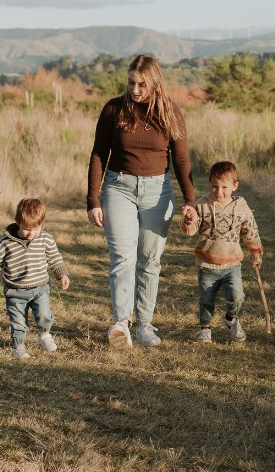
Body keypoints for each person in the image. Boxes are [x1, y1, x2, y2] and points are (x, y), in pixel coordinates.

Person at [87, 54, 196, 349]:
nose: (135, 90)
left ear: (155, 83)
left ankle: (144, 324)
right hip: (118, 188)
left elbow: (181, 160)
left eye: (141, 84)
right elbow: (99, 154)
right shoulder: (114, 109)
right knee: (123, 258)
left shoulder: (170, 112)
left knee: (149, 260)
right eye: (131, 83)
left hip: (157, 192)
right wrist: (93, 200)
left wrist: (189, 200)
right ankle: (121, 323)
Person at [180, 160, 263, 343]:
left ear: (235, 186)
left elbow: (251, 231)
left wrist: (256, 253)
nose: (219, 192)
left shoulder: (241, 208)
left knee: (237, 295)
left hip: (232, 264)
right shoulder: (202, 205)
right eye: (214, 186)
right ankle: (205, 329)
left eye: (224, 187)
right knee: (206, 299)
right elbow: (190, 230)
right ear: (209, 183)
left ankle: (231, 318)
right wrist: (188, 220)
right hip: (207, 264)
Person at [0, 198, 70, 359]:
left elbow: (54, 257)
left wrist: (62, 274)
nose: (31, 234)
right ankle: (19, 347)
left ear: (42, 223)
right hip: (15, 291)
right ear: (18, 222)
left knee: (44, 314)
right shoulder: (6, 242)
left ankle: (44, 335)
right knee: (18, 321)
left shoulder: (45, 238)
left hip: (40, 288)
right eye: (26, 229)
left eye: (36, 229)